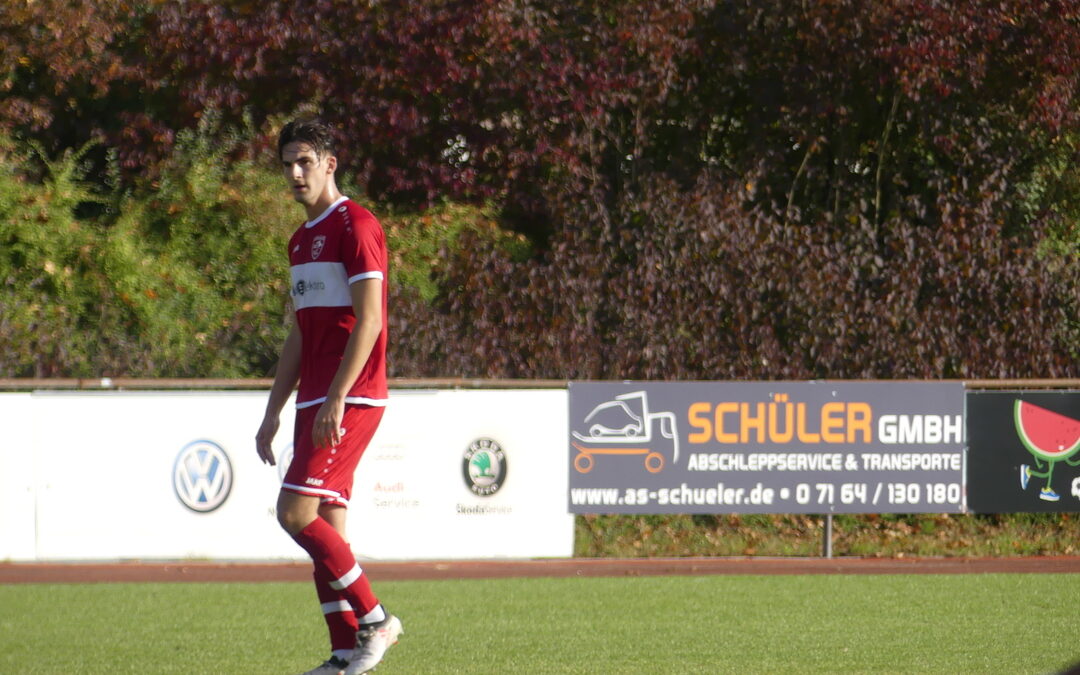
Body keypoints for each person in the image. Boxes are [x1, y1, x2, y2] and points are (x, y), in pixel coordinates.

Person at [255, 118, 402, 675]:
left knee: (294, 513)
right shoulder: (299, 240)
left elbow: (370, 320)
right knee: (327, 528)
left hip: (354, 394)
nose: (295, 173)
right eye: (287, 164)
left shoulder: (357, 225)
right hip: (315, 397)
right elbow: (299, 333)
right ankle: (345, 653)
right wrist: (273, 411)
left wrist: (339, 395)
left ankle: (377, 618)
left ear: (329, 164)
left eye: (305, 161)